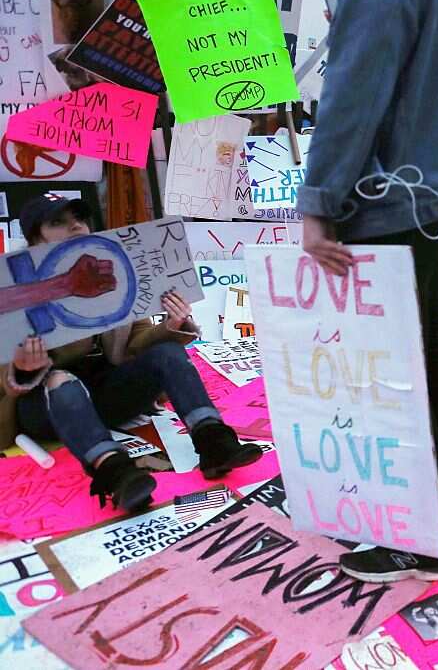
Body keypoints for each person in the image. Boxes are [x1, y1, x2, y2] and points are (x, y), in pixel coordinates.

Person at [296, 0, 438, 583]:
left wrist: (319, 205)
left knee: (387, 374)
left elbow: (353, 92)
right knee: (423, 355)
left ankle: (420, 536)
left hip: (390, 203)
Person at [1, 194, 262, 511]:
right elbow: (7, 381)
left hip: (109, 395)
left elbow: (138, 343)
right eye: (57, 222)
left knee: (168, 351)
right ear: (34, 239)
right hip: (49, 406)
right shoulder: (13, 291)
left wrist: (172, 324)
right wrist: (26, 369)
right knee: (59, 378)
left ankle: (214, 442)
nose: (75, 227)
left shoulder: (110, 270)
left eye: (79, 218)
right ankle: (115, 474)